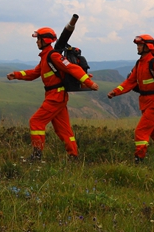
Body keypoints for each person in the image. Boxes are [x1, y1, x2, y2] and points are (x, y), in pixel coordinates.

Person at [7, 28, 98, 160]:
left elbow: (72, 68)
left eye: (38, 39)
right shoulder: (45, 57)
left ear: (45, 40)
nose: (36, 42)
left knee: (36, 121)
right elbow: (34, 73)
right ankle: (74, 156)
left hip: (55, 97)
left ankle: (37, 155)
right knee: (63, 129)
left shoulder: (53, 56)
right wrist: (16, 75)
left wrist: (89, 83)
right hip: (56, 96)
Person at [108, 34, 154, 163]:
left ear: (147, 47)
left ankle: (139, 158)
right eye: (138, 45)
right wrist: (115, 92)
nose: (138, 47)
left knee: (141, 130)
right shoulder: (139, 63)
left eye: (140, 45)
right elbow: (130, 82)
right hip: (144, 102)